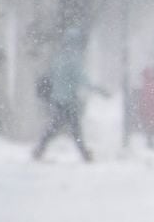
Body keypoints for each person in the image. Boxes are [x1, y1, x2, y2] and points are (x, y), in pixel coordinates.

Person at [33, 28, 107, 162]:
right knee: (72, 128)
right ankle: (84, 154)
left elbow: (51, 75)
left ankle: (40, 148)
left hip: (57, 99)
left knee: (58, 126)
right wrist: (98, 89)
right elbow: (82, 79)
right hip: (69, 100)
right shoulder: (74, 59)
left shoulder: (59, 58)